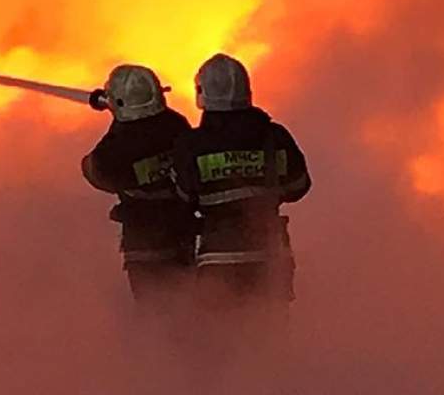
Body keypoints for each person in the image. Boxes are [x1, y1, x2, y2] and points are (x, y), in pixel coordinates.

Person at [172, 53, 310, 325]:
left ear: (202, 93)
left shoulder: (191, 144)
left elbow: (184, 197)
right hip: (270, 258)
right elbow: (299, 186)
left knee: (223, 342)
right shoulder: (275, 136)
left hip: (219, 260)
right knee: (270, 339)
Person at [82, 64, 195, 309]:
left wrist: (117, 123)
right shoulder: (176, 125)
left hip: (144, 247)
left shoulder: (117, 147)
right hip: (186, 236)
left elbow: (93, 171)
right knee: (192, 307)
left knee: (157, 316)